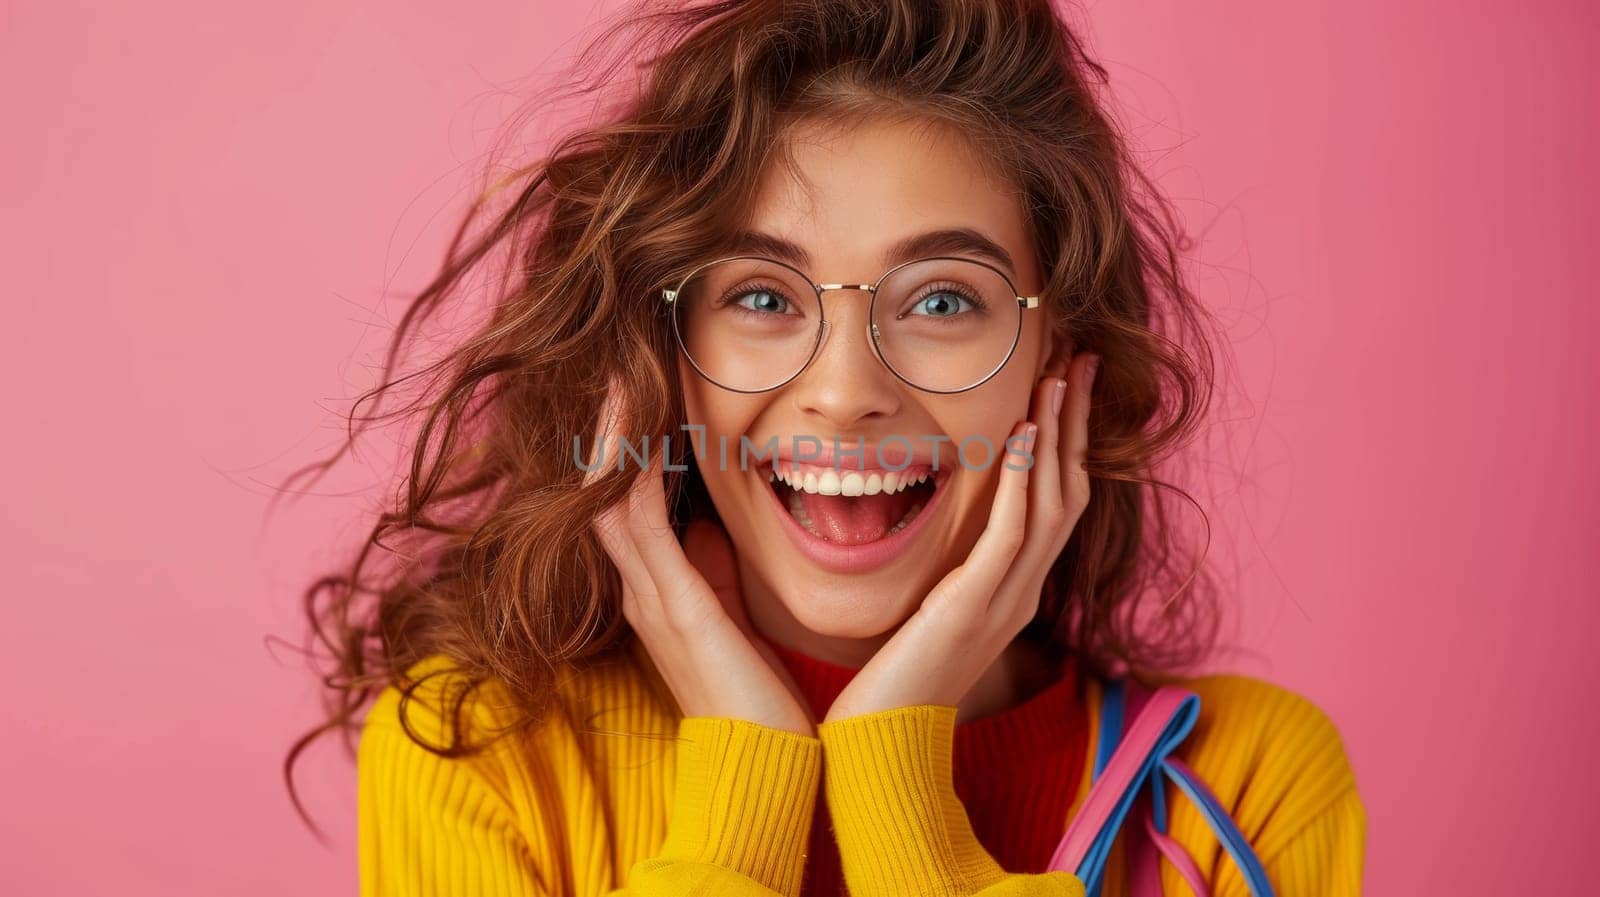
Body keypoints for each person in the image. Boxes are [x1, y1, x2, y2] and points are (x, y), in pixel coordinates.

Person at [286, 1, 1366, 894]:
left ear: (1059, 351)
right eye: (760, 295)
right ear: (661, 348)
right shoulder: (483, 756)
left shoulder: (1243, 784)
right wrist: (740, 796)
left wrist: (896, 773)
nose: (846, 391)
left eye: (943, 299)